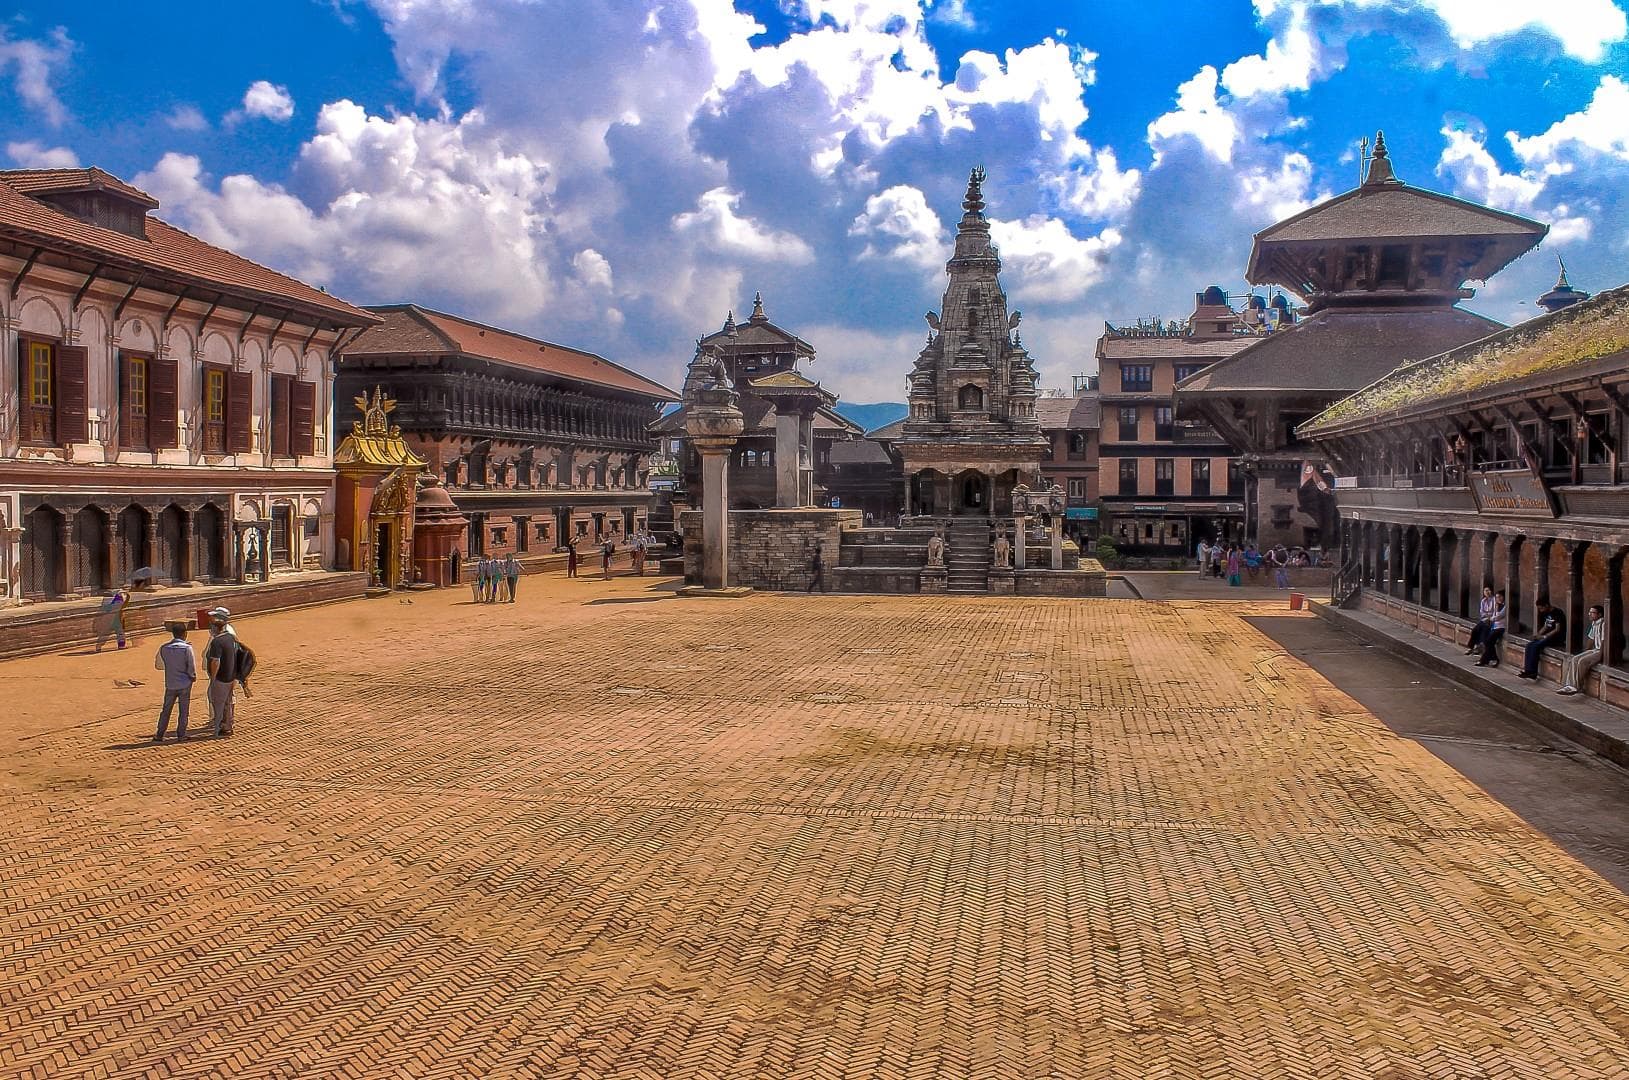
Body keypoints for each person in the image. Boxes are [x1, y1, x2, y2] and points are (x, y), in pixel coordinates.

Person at [152, 622, 196, 742]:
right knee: (183, 710)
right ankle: (181, 734)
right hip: (184, 683)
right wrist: (192, 676)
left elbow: (160, 665)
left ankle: (160, 733)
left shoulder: (164, 648)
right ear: (184, 634)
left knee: (166, 710)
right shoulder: (187, 648)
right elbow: (191, 667)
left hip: (170, 683)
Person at [203, 608, 240, 737]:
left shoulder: (223, 636)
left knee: (221, 699)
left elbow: (216, 660)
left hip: (222, 675)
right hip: (229, 673)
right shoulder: (226, 635)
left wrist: (213, 677)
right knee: (225, 699)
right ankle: (225, 722)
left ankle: (223, 723)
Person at [1559, 605, 1606, 696]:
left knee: (1582, 661)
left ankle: (1576, 686)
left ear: (1599, 614)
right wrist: (1585, 651)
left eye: (1592, 612)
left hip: (1600, 650)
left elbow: (1604, 641)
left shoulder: (1603, 624)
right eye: (1590, 612)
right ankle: (1569, 685)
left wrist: (1600, 654)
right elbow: (1591, 639)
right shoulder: (1594, 623)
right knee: (1575, 659)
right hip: (1594, 649)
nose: (1589, 614)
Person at [1518, 600, 1567, 681]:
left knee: (1536, 646)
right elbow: (1546, 626)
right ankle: (1528, 670)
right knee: (1529, 645)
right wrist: (1537, 635)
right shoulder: (1547, 613)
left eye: (1541, 608)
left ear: (1546, 605)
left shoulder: (1557, 613)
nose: (1541, 611)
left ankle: (1533, 672)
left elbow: (1557, 629)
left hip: (1556, 638)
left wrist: (1544, 636)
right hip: (1547, 636)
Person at [1475, 591, 1507, 667]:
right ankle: (1493, 658)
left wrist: (1490, 619)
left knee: (1489, 640)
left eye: (1500, 597)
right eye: (1496, 597)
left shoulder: (1505, 606)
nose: (1498, 599)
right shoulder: (1497, 605)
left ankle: (1484, 660)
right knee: (1487, 641)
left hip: (1501, 627)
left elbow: (1499, 616)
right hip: (1495, 626)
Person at [1466, 586, 1499, 655]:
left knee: (1484, 630)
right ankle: (1471, 647)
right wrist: (1487, 615)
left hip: (1492, 620)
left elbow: (1495, 612)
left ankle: (1479, 647)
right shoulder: (1483, 601)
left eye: (1488, 590)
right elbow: (1482, 612)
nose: (1487, 592)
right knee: (1475, 630)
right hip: (1484, 619)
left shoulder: (1494, 600)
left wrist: (1489, 616)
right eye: (1485, 591)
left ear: (1491, 591)